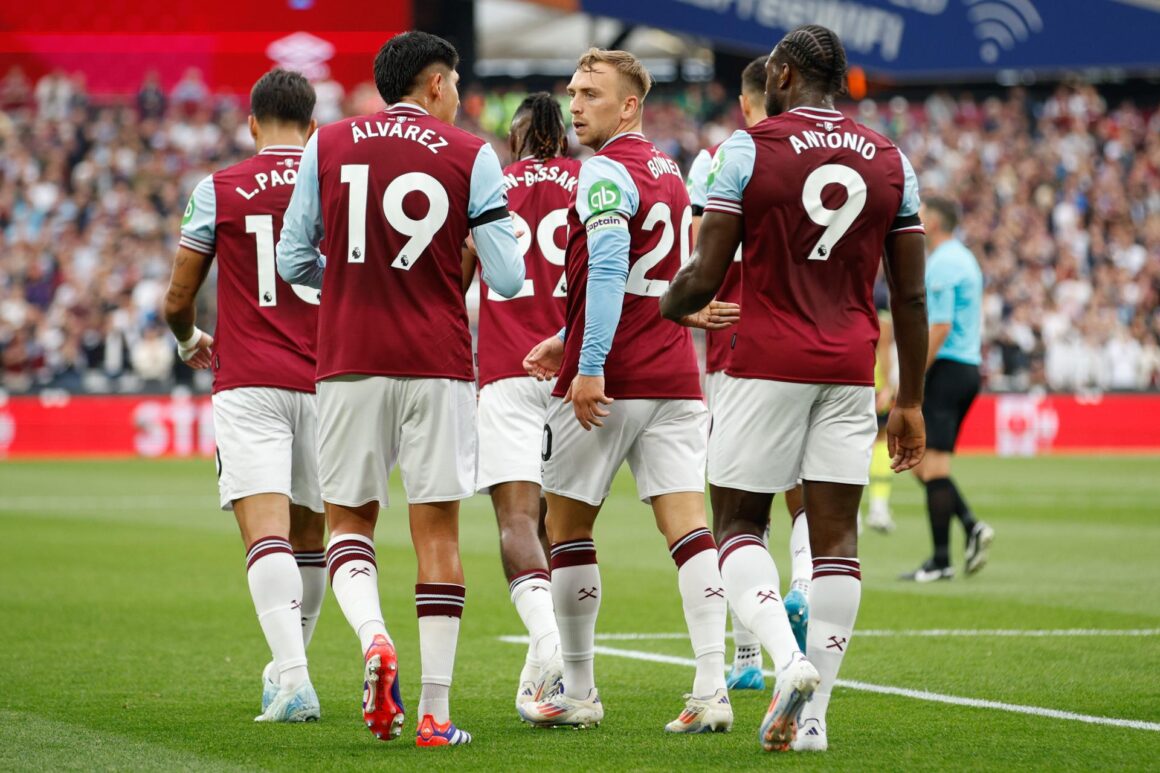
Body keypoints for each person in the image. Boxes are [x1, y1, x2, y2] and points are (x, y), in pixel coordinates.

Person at [661, 24, 929, 752]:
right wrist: (908, 401)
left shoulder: (748, 148)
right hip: (850, 365)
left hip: (763, 359)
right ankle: (815, 722)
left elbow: (706, 273)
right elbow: (909, 296)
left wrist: (665, 302)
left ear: (780, 74)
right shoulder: (892, 158)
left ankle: (787, 660)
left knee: (740, 523)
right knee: (837, 538)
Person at [276, 31, 525, 746]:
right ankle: (435, 714)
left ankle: (375, 638)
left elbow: (296, 257)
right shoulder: (471, 153)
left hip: (349, 356)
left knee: (348, 524)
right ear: (438, 85)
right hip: (437, 360)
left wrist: (355, 282)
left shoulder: (328, 145)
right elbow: (507, 280)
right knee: (437, 531)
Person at [518, 48, 739, 734]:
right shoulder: (669, 169)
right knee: (689, 528)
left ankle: (579, 689)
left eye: (591, 93)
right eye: (574, 91)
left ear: (629, 105)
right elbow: (658, 279)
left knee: (568, 529)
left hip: (611, 380)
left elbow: (612, 266)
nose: (576, 104)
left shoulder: (603, 173)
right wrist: (569, 330)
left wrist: (588, 361)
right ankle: (712, 689)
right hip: (675, 376)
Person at [162, 68, 326, 723]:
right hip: (330, 381)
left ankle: (293, 677)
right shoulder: (338, 184)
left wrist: (186, 337)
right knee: (312, 536)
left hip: (251, 377)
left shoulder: (218, 188)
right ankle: (290, 670)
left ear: (252, 124)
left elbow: (177, 297)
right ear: (312, 126)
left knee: (266, 533)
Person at [686, 55, 813, 692]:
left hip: (737, 346)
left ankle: (745, 657)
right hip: (815, 342)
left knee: (737, 507)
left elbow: (694, 256)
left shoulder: (720, 158)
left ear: (745, 101)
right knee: (805, 490)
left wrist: (685, 309)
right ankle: (806, 583)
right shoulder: (823, 154)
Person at [464, 92, 579, 714]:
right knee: (569, 531)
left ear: (515, 139)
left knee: (515, 522)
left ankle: (546, 641)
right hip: (575, 373)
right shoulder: (591, 180)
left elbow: (454, 282)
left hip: (508, 370)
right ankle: (560, 675)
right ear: (562, 138)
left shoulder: (493, 187)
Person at [900, 195, 994, 582]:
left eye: (921, 215)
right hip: (965, 366)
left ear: (934, 222)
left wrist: (913, 375)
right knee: (919, 463)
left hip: (948, 367)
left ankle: (941, 560)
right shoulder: (963, 258)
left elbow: (939, 327)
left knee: (931, 464)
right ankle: (970, 526)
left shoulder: (943, 264)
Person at [865, 276, 898, 533]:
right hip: (873, 383)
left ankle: (850, 513)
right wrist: (887, 385)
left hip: (850, 378)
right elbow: (884, 345)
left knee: (846, 443)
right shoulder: (880, 297)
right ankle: (878, 508)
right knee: (880, 441)